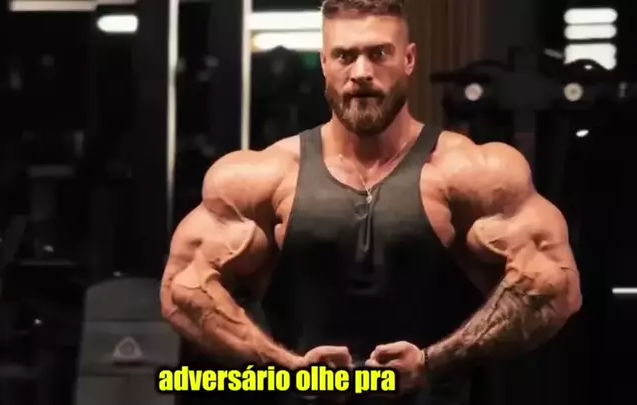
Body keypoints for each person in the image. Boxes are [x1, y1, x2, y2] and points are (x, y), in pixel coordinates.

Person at [160, 0, 582, 403]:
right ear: (324, 63)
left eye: (379, 54)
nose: (361, 72)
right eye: (344, 56)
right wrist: (284, 366)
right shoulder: (261, 176)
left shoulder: (474, 172)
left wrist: (434, 362)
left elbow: (553, 287)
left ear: (409, 59)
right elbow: (183, 291)